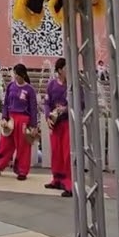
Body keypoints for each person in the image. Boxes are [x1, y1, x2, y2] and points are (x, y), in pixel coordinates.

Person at [0, 63, 38, 181]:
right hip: (11, 119)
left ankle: (22, 170)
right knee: (4, 144)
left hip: (23, 119)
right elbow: (6, 103)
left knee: (23, 146)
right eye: (14, 74)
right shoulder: (11, 86)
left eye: (17, 74)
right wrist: (4, 117)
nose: (15, 77)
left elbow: (33, 108)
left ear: (22, 75)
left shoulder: (29, 90)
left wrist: (33, 125)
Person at [45, 58, 72, 195]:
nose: (69, 71)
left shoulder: (73, 86)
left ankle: (68, 183)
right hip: (55, 123)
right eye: (66, 68)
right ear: (60, 70)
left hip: (68, 123)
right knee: (56, 152)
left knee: (67, 153)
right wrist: (47, 117)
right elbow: (47, 103)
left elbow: (81, 103)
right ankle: (57, 179)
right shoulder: (52, 85)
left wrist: (66, 109)